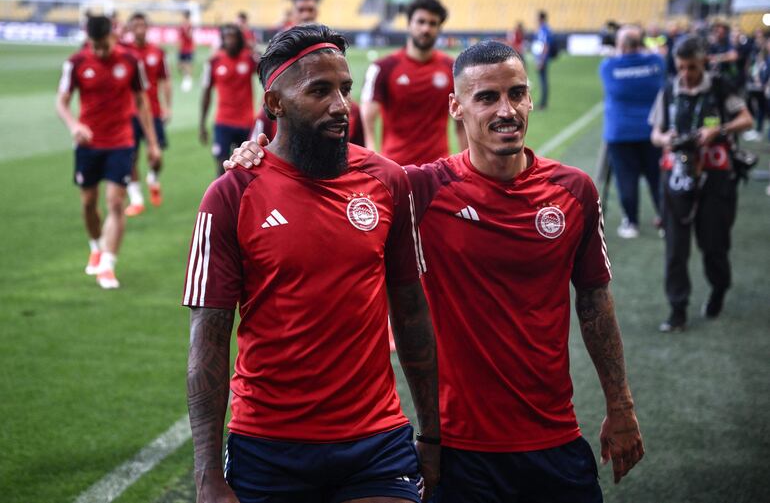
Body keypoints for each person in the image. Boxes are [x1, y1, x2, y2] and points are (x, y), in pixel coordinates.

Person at [229, 40, 645, 502]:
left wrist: (621, 406)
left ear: (530, 98)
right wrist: (260, 152)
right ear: (457, 108)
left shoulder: (575, 191)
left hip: (554, 439)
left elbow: (594, 302)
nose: (506, 110)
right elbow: (328, 173)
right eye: (487, 97)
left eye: (517, 93)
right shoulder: (419, 189)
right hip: (458, 451)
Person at [184, 24, 440, 503]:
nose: (341, 105)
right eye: (319, 91)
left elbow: (411, 311)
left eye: (344, 88)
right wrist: (207, 476)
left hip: (376, 442)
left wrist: (431, 432)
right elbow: (208, 338)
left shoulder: (387, 181)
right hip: (267, 446)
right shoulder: (231, 195)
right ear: (275, 103)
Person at [650, 35, 753, 332]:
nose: (686, 74)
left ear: (704, 62)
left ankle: (719, 288)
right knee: (675, 247)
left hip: (715, 176)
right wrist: (665, 139)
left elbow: (746, 119)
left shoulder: (720, 86)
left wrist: (719, 130)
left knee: (714, 243)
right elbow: (655, 133)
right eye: (681, 67)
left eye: (692, 67)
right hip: (677, 176)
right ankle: (677, 308)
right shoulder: (669, 90)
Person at [56, 14, 161, 289]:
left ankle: (108, 265)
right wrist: (74, 125)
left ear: (113, 36)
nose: (100, 51)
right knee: (89, 202)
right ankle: (96, 246)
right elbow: (62, 102)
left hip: (121, 142)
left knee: (115, 203)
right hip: (88, 144)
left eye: (104, 44)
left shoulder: (129, 62)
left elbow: (143, 103)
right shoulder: (76, 63)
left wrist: (152, 143)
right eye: (95, 45)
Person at [361, 0, 466, 166]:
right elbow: (368, 119)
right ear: (409, 24)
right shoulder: (384, 68)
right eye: (421, 21)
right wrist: (374, 162)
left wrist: (464, 166)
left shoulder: (452, 68)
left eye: (433, 23)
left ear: (439, 28)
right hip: (396, 168)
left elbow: (462, 124)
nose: (426, 29)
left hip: (438, 169)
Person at [599, 25, 665, 238]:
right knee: (657, 178)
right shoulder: (656, 63)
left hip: (620, 132)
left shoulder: (609, 67)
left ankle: (631, 222)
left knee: (626, 179)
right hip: (652, 131)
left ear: (621, 45)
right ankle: (665, 219)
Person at [125, 12, 171, 216]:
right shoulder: (123, 52)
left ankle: (152, 178)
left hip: (153, 111)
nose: (139, 29)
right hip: (129, 113)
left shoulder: (157, 52)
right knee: (130, 157)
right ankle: (136, 198)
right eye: (135, 25)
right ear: (130, 28)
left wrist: (167, 106)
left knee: (156, 155)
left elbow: (166, 80)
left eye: (142, 25)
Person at [199, 24, 258, 176]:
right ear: (222, 40)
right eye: (226, 37)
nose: (230, 41)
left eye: (233, 37)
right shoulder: (213, 62)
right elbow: (206, 93)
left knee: (248, 167)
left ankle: (243, 199)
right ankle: (223, 198)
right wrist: (202, 124)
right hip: (223, 122)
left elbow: (268, 69)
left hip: (246, 122)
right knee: (222, 164)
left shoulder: (249, 58)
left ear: (240, 40)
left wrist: (254, 49)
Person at [534, 10, 554, 110]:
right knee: (543, 80)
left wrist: (541, 60)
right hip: (543, 58)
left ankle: (543, 103)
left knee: (543, 81)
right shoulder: (546, 29)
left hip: (542, 59)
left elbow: (545, 45)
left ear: (540, 18)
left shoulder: (544, 29)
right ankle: (543, 102)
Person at [178, 10, 195, 92]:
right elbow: (180, 37)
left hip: (188, 48)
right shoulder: (182, 26)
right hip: (182, 48)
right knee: (180, 65)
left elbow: (190, 36)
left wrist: (186, 30)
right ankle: (186, 78)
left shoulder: (190, 25)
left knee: (188, 64)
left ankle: (188, 81)